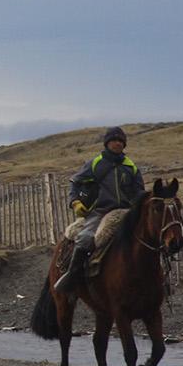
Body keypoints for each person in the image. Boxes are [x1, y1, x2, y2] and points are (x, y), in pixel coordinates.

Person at [55, 126, 144, 294]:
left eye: (121, 141)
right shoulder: (96, 163)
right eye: (114, 140)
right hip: (100, 211)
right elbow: (75, 182)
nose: (117, 143)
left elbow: (139, 192)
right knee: (85, 238)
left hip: (126, 211)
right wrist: (75, 201)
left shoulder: (130, 166)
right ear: (107, 143)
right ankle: (73, 277)